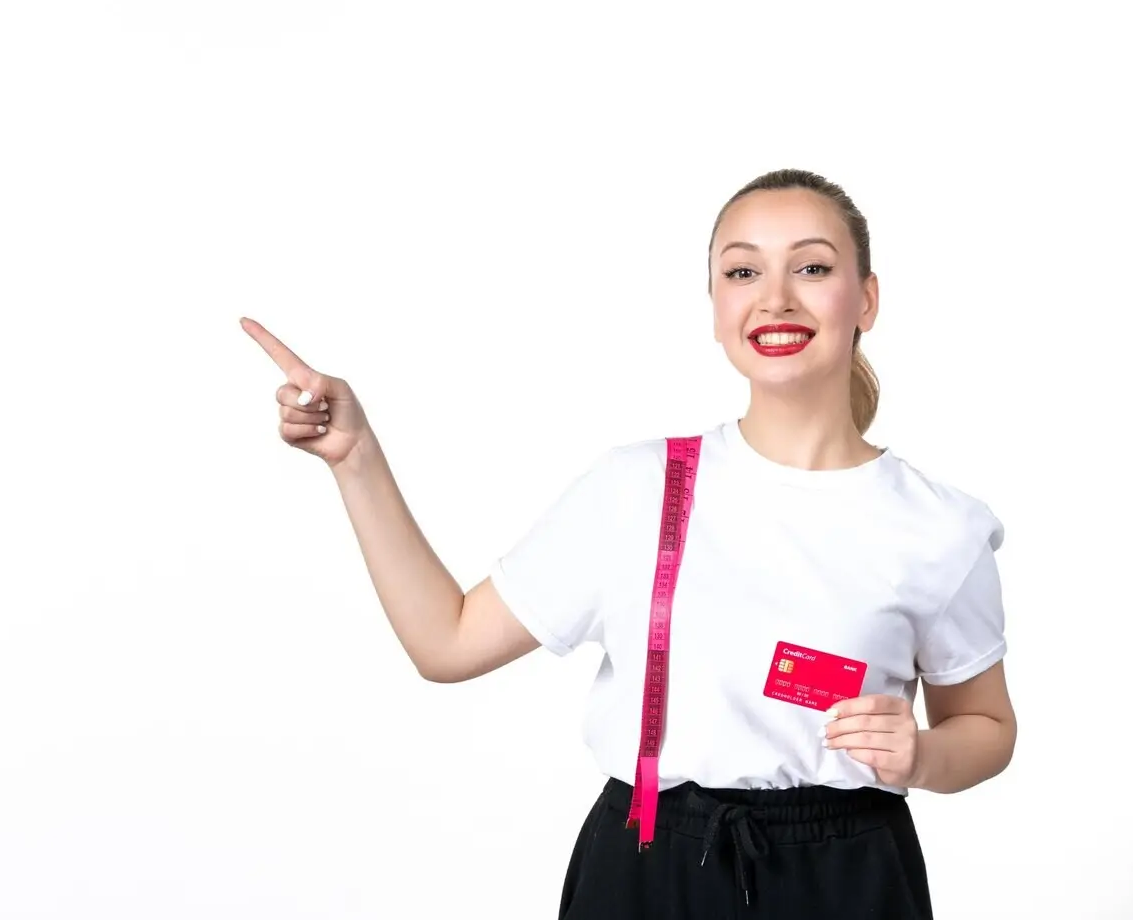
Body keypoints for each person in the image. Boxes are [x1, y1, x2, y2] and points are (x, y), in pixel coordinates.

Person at [240, 168, 1017, 919]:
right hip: (648, 872)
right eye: (742, 273)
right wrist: (357, 460)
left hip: (848, 876)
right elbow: (445, 644)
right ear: (715, 307)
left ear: (867, 299)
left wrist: (921, 756)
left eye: (812, 267)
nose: (775, 297)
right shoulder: (636, 489)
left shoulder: (938, 525)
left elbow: (986, 728)